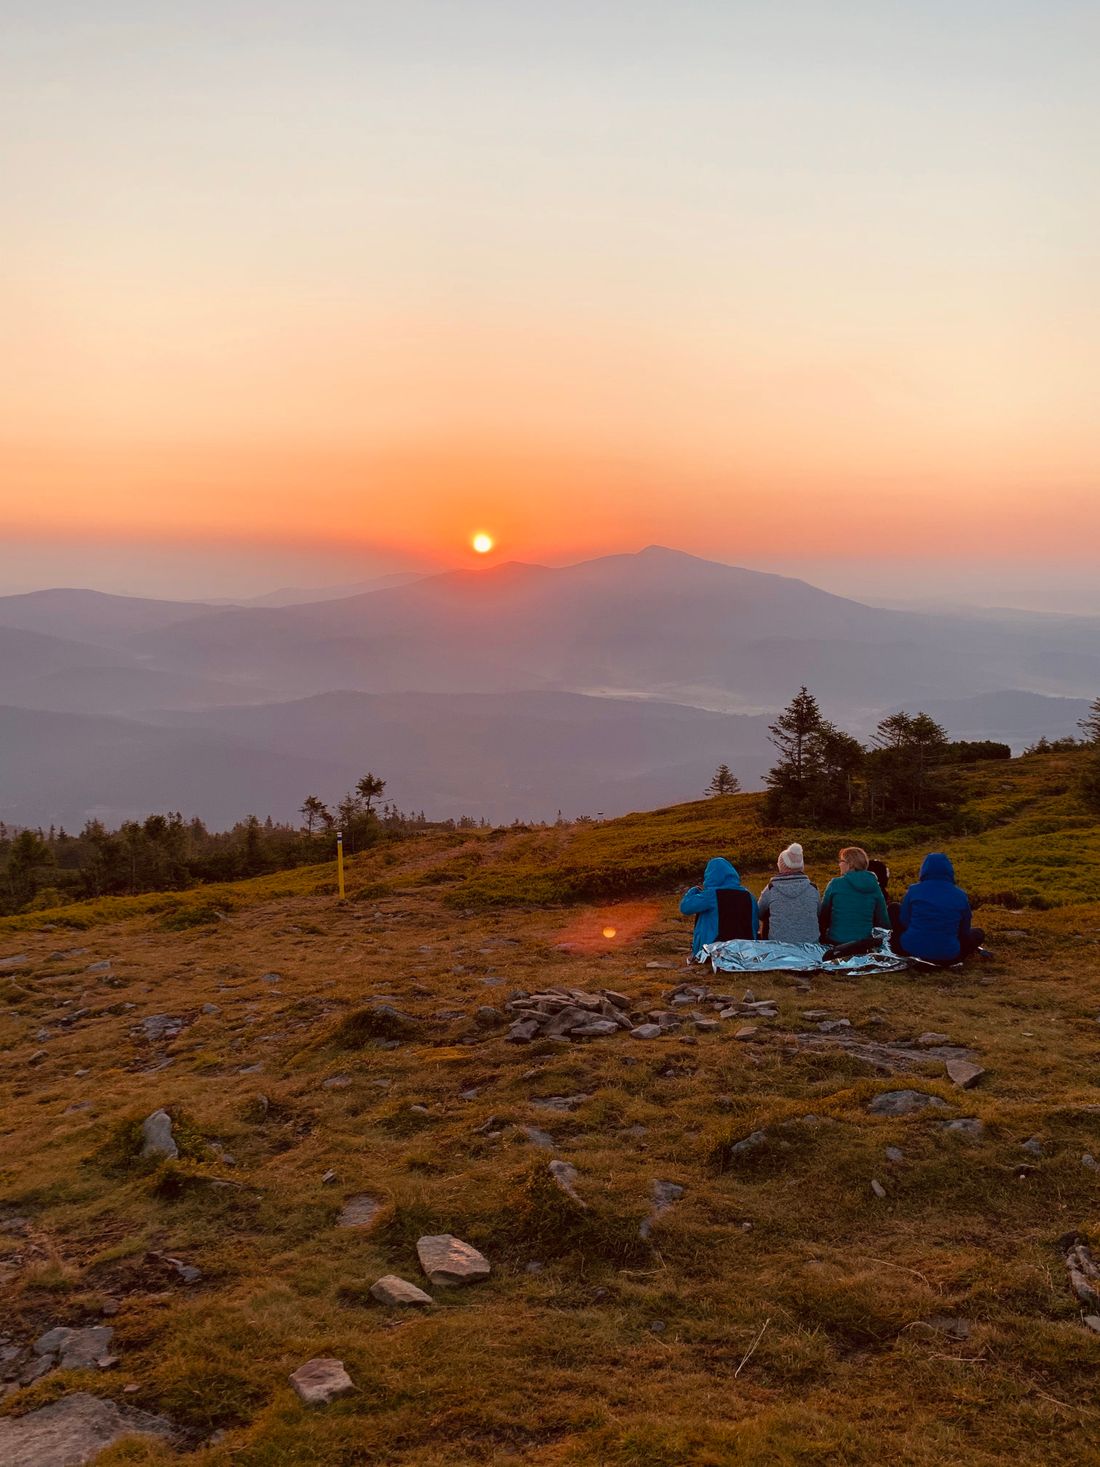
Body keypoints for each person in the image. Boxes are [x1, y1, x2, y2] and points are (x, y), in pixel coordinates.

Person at [893, 852, 985, 963]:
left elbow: (904, 921)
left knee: (894, 908)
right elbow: (964, 929)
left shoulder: (914, 890)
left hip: (910, 949)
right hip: (948, 956)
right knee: (978, 933)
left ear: (924, 870)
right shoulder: (960, 894)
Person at [680, 858, 758, 956]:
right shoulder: (749, 895)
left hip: (714, 950)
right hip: (746, 950)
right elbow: (755, 923)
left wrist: (694, 891)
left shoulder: (712, 895)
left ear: (710, 875)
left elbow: (685, 908)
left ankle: (700, 951)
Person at [819, 846, 889, 946]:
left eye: (841, 861)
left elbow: (823, 917)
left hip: (836, 943)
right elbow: (884, 921)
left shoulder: (835, 883)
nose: (839, 864)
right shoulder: (874, 885)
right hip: (863, 944)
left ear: (850, 864)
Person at [757, 842, 820, 943]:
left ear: (781, 866)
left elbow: (759, 913)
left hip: (779, 946)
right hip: (811, 945)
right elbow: (819, 913)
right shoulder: (812, 888)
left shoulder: (771, 889)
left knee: (767, 912)